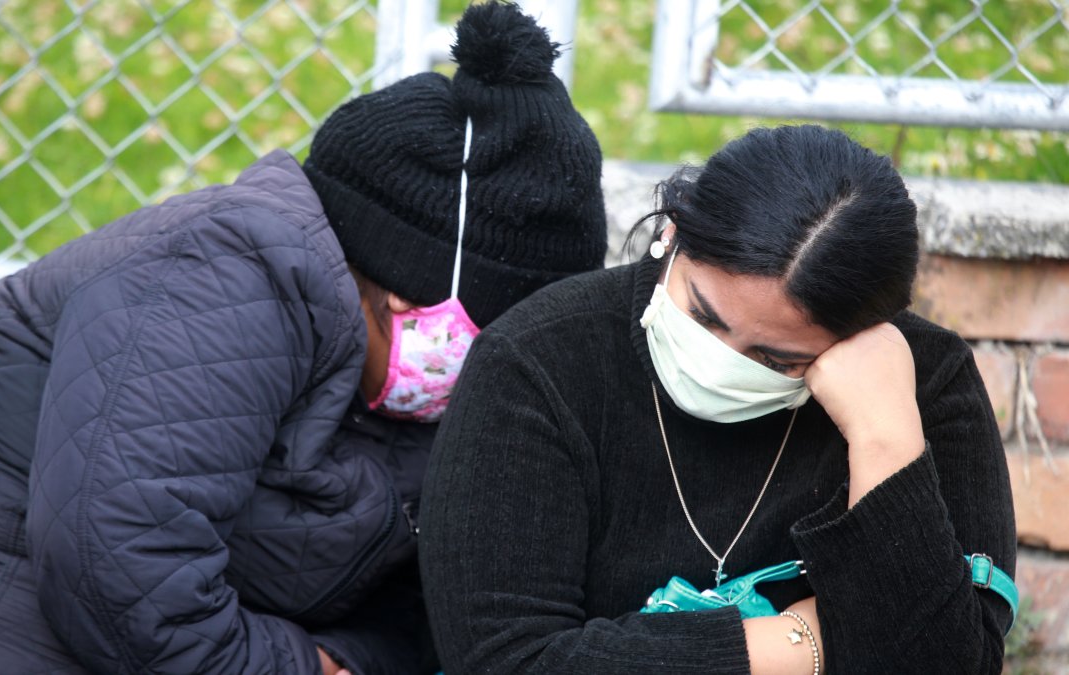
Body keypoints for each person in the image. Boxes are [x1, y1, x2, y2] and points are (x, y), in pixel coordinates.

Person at [0, 3, 607, 673]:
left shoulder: (402, 389)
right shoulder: (227, 270)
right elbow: (118, 561)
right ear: (394, 279)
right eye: (484, 331)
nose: (488, 363)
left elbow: (422, 605)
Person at [419, 125, 1017, 674]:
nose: (720, 360)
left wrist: (885, 442)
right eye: (703, 315)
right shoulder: (540, 362)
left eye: (776, 359)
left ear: (859, 338)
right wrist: (804, 642)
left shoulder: (924, 382)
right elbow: (504, 661)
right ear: (672, 233)